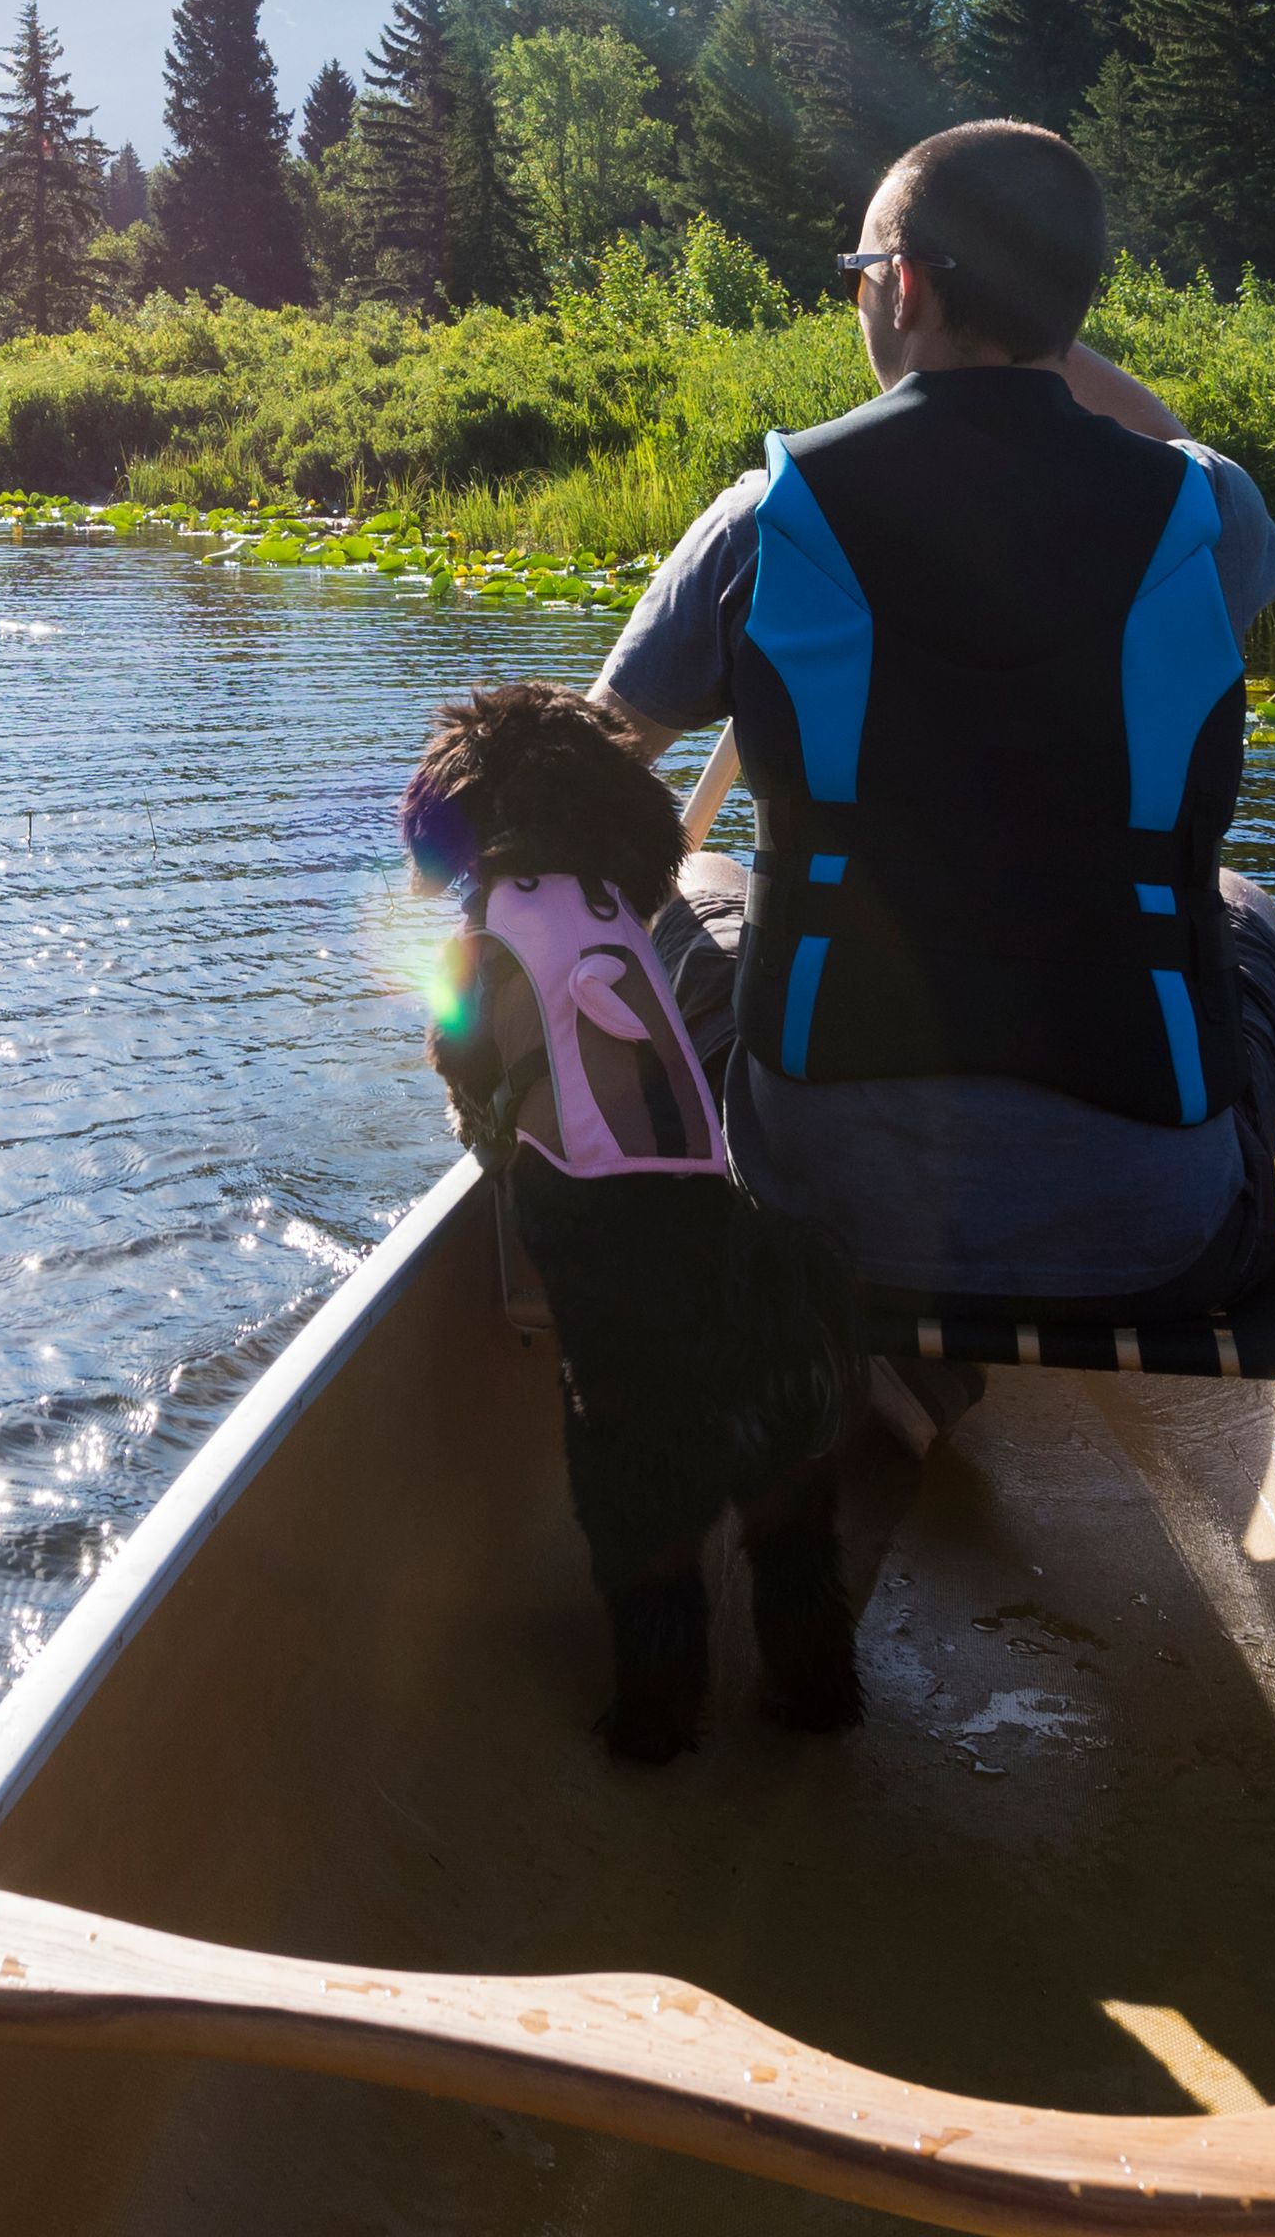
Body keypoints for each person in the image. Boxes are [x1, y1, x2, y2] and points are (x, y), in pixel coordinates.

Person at [593, 119, 1275, 1331]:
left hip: (814, 1220)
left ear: (906, 285)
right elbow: (1168, 446)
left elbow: (588, 759)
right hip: (1163, 1239)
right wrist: (1034, 320)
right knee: (1236, 907)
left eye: (860, 276)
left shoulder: (768, 514)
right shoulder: (1207, 513)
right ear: (1068, 308)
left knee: (690, 876)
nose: (859, 300)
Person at [399, 680, 863, 1759]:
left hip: (632, 1322)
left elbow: (466, 1074)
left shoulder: (493, 941)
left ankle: (654, 1733)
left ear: (460, 824)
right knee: (788, 1533)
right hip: (745, 1276)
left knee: (637, 1541)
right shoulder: (619, 922)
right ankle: (815, 1693)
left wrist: (490, 1128)